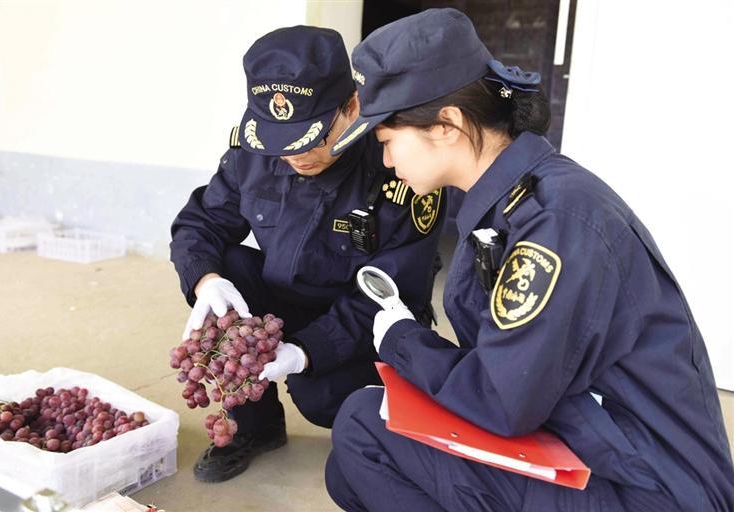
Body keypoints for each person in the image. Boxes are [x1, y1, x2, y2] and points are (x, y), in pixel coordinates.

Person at [325, 8, 734, 511]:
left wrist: (403, 340)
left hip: (646, 487)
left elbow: (500, 399)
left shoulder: (557, 221)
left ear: (448, 124)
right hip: (592, 441)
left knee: (363, 425)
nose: (387, 161)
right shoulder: (515, 199)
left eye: (388, 142)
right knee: (348, 471)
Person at [169, 25, 445, 483]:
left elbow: (391, 295)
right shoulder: (254, 150)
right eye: (282, 139)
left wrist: (305, 352)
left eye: (312, 136)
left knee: (326, 400)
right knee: (229, 268)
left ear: (351, 105)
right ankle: (255, 427)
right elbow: (200, 223)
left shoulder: (398, 168)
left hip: (363, 318)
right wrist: (206, 281)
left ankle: (388, 430)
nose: (296, 154)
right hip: (285, 295)